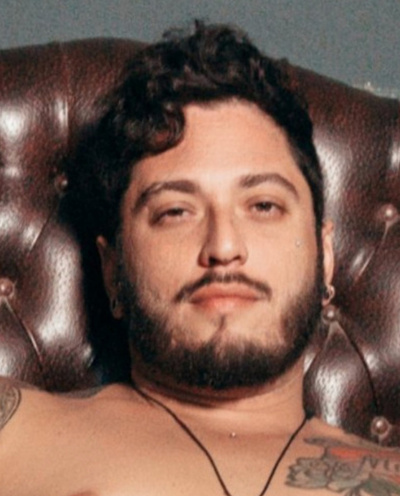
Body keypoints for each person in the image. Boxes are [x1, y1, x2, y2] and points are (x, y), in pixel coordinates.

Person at [1, 22, 400, 496]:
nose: (224, 247)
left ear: (325, 257)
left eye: (263, 206)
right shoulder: (18, 432)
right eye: (175, 211)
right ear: (113, 273)